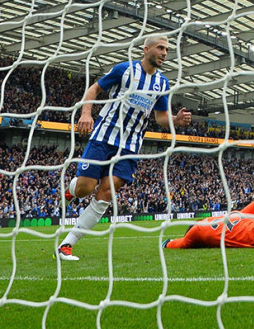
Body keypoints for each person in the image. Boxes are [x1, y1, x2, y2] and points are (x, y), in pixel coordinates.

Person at [58, 35, 193, 261]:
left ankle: (66, 245)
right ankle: (73, 189)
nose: (164, 53)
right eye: (160, 48)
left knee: (106, 193)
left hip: (130, 146)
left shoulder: (162, 83)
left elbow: (160, 117)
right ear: (146, 49)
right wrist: (85, 113)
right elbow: (94, 89)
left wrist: (175, 121)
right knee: (85, 188)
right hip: (103, 137)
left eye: (167, 50)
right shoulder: (124, 70)